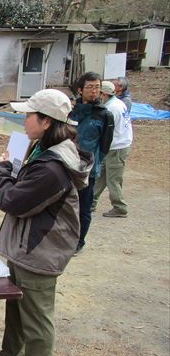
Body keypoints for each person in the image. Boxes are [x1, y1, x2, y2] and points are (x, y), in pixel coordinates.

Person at [0, 89, 91, 356]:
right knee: (18, 306)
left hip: (40, 248)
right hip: (28, 245)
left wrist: (1, 169)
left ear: (46, 122)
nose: (23, 120)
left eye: (28, 115)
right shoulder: (43, 150)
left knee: (37, 315)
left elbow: (11, 200)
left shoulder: (52, 166)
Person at [69, 72, 114, 255]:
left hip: (88, 170)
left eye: (97, 87)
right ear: (80, 90)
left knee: (84, 208)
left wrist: (93, 165)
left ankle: (79, 241)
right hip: (67, 166)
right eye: (90, 87)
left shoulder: (104, 115)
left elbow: (105, 145)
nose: (94, 91)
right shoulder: (71, 112)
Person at [92, 81, 133, 218]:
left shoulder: (111, 109)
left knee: (113, 179)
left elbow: (105, 131)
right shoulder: (117, 103)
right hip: (115, 145)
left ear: (104, 94)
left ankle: (120, 207)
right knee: (101, 175)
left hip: (117, 146)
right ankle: (91, 202)